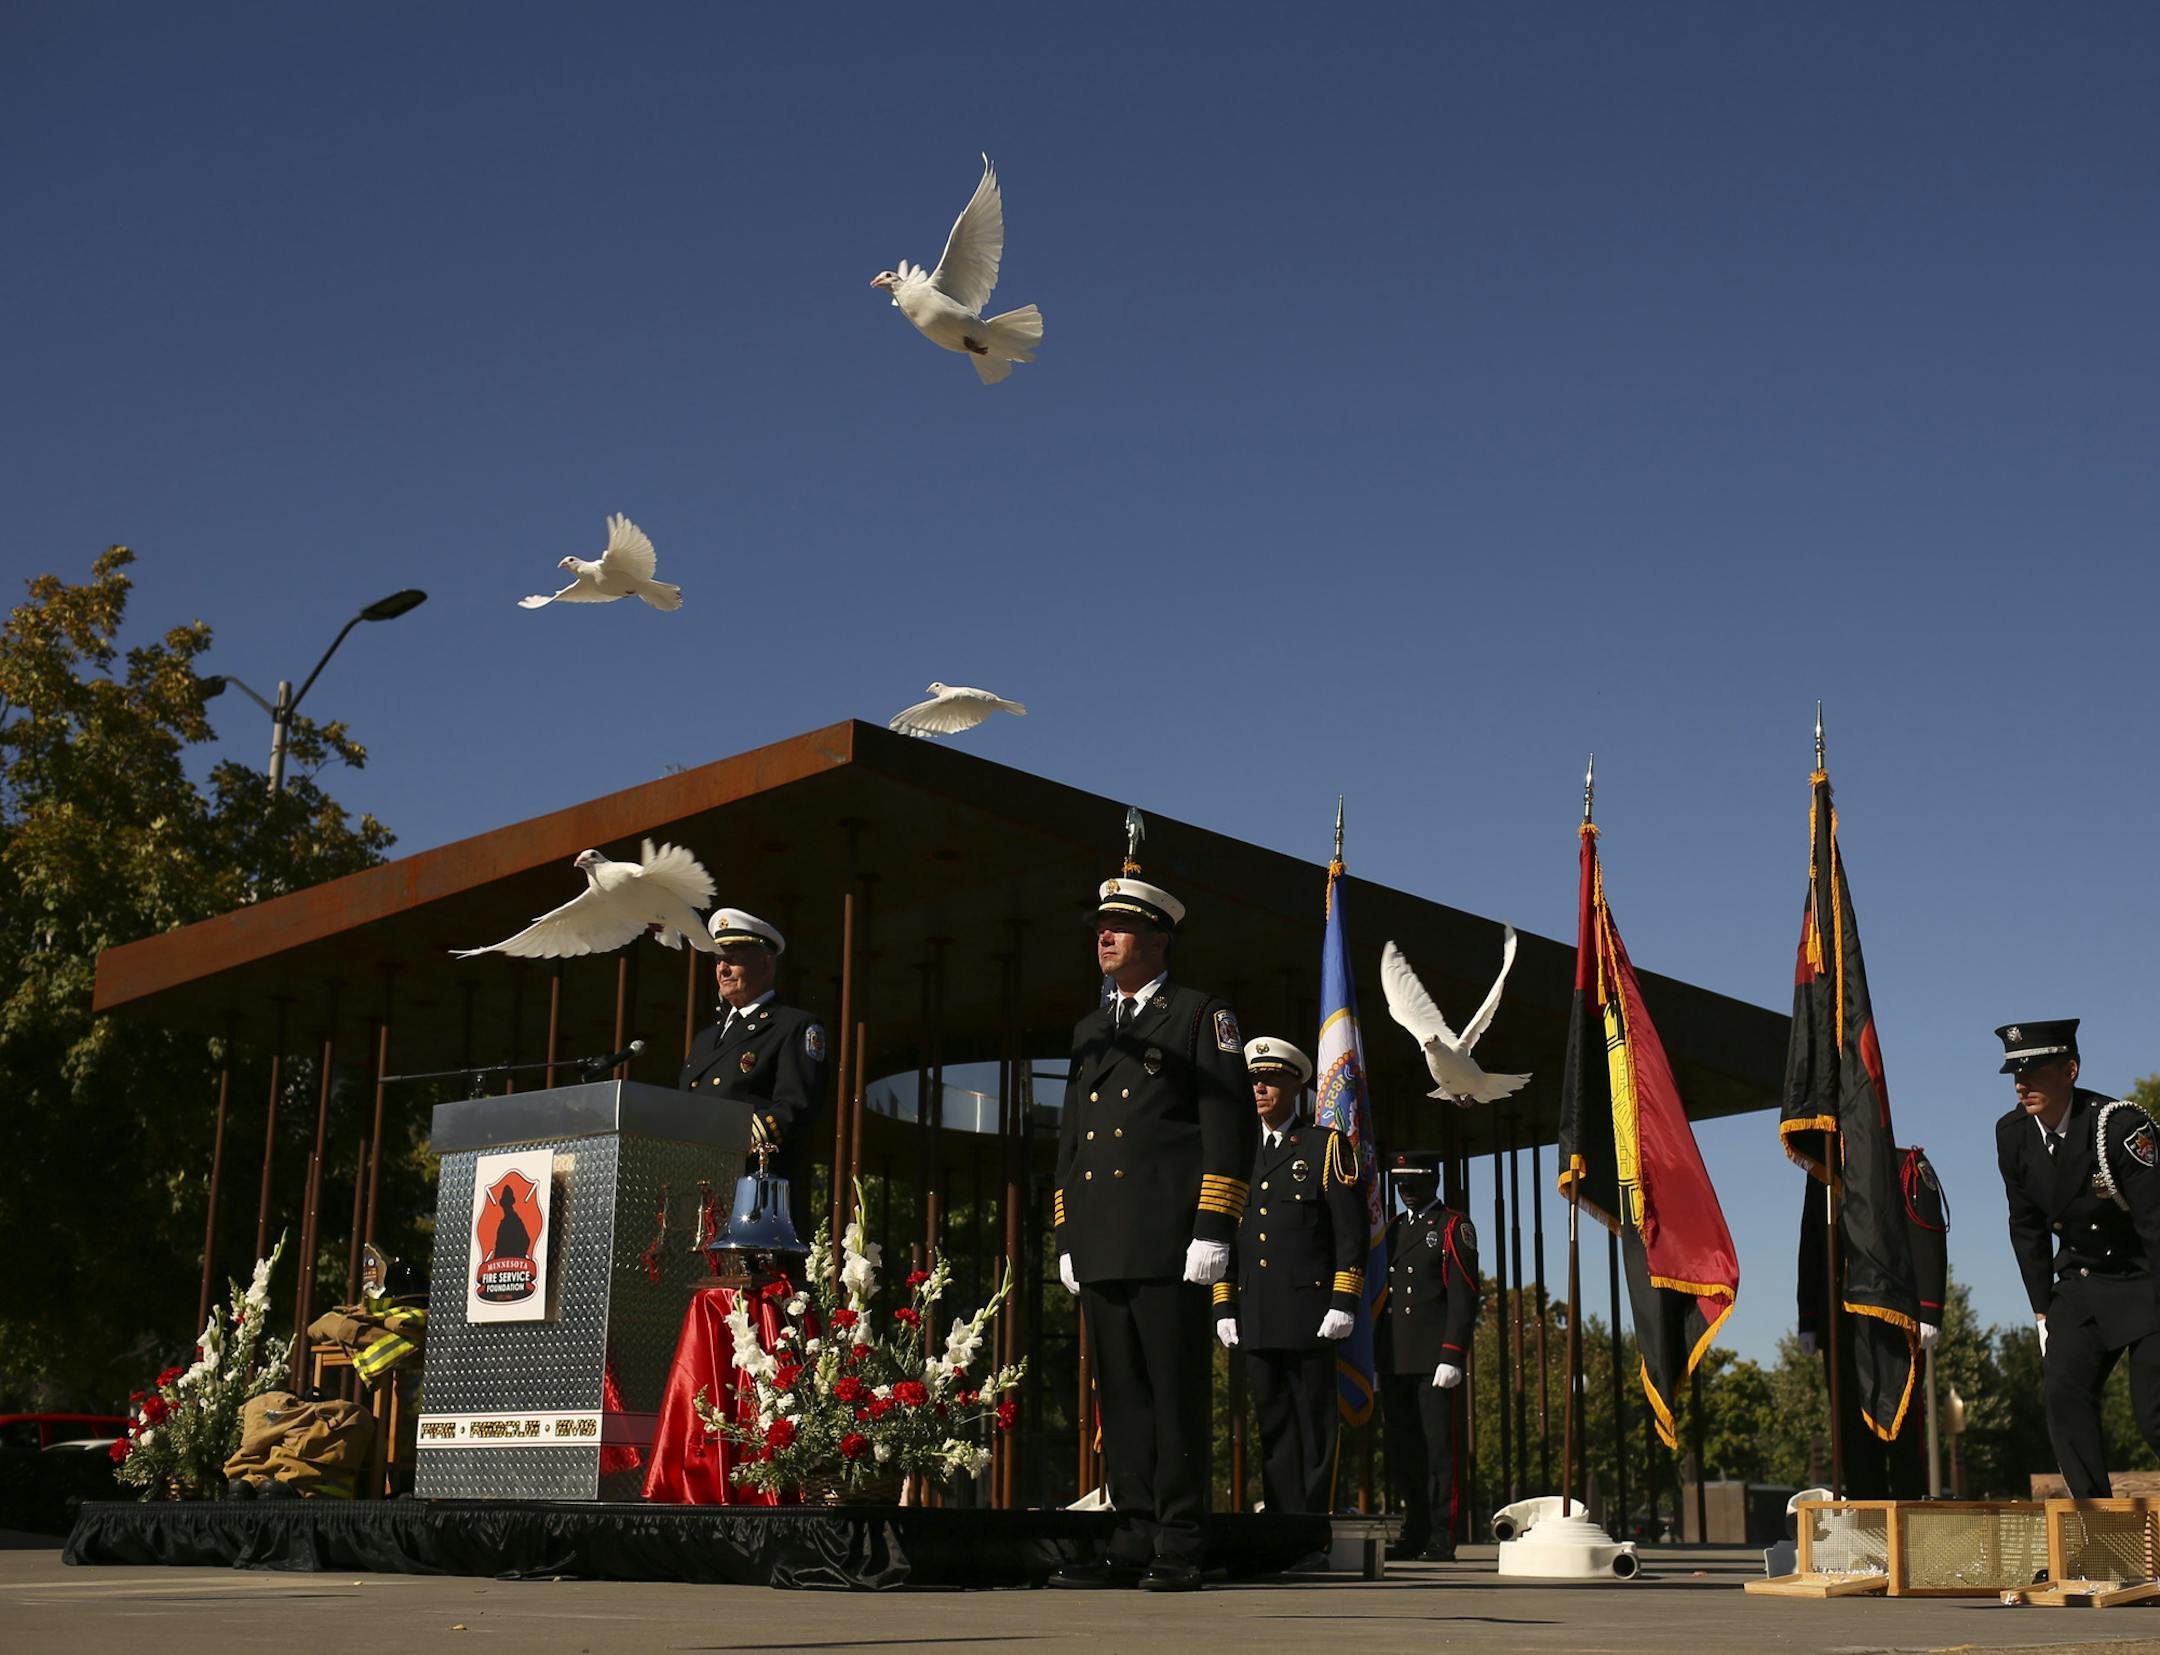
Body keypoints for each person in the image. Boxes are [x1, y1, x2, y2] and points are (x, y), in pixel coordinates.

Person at [1050, 873, 1253, 1592]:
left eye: (1121, 925)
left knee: (1174, 1393)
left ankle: (1181, 1536)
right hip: (1103, 1239)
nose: (1103, 936)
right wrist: (1067, 1236)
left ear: (1159, 938)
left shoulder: (1200, 1015)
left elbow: (1229, 1131)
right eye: (1099, 925)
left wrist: (1213, 1229)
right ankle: (1132, 1532)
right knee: (1123, 1397)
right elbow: (1072, 1142)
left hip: (1170, 1239)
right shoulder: (1090, 1030)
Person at [1994, 1018, 2160, 1497]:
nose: (2022, 1084)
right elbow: (2024, 1225)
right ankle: (2099, 1539)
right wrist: (2042, 1310)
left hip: (2142, 1279)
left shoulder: (2122, 1126)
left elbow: (2155, 1223)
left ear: (2070, 1069)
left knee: (2154, 1414)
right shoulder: (2013, 1135)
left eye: (2035, 1070)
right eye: (2015, 1075)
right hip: (2081, 1283)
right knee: (2064, 1397)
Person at [1212, 1037, 1365, 1516]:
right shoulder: (1235, 1153)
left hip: (1309, 1313)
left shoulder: (1325, 1147)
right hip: (1256, 1313)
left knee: (1314, 1422)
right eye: (1253, 1080)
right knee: (1273, 1424)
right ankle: (1282, 1523)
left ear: (1296, 1085)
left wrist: (1344, 1300)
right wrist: (1224, 1304)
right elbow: (1226, 1234)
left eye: (1270, 1079)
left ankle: (1314, 1522)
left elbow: (1350, 1233)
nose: (1258, 1088)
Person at [1795, 1144, 1948, 1497]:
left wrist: (1929, 1308)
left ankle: (1909, 1525)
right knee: (1851, 1429)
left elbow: (1927, 1234)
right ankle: (1868, 1526)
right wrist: (1809, 1316)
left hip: (1891, 1318)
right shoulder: (1822, 1173)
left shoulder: (1902, 1164)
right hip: (1840, 1319)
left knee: (1901, 1424)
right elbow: (1812, 1242)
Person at [679, 909, 827, 1231]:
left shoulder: (794, 1026)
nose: (723, 968)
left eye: (732, 957)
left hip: (753, 1196)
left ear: (765, 963)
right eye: (718, 959)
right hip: (697, 1196)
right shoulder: (705, 1040)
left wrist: (735, 1137)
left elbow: (795, 1108)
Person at [1376, 1149, 1479, 1562]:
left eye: (1414, 1184)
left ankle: (1441, 1534)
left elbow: (1463, 1294)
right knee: (1405, 1452)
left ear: (1432, 1181)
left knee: (1440, 1451)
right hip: (1397, 1357)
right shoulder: (1394, 1229)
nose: (1407, 1192)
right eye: (1401, 1185)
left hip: (1434, 1359)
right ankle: (1414, 1529)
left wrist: (1453, 1355)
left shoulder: (1454, 1225)